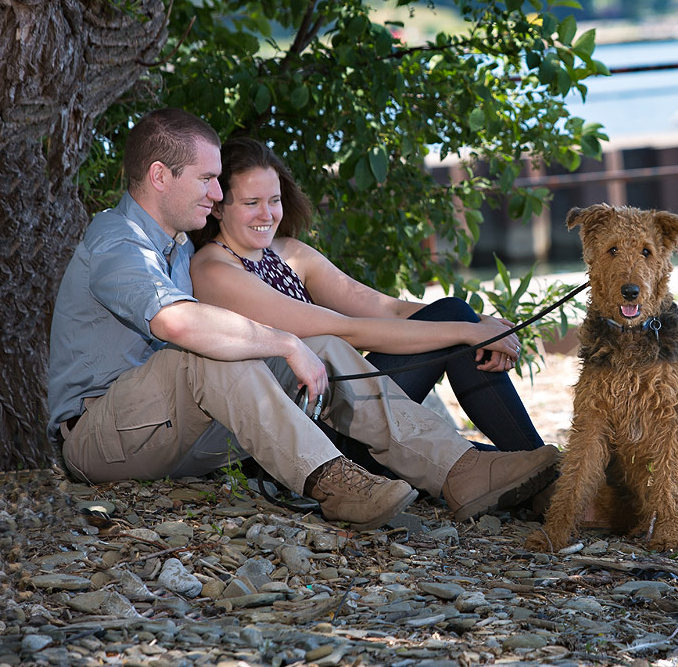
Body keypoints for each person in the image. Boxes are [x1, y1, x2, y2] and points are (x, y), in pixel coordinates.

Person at [47, 108, 558, 530]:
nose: (217, 193)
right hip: (104, 437)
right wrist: (284, 342)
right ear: (160, 176)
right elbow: (177, 323)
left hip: (183, 432)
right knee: (212, 349)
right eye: (206, 179)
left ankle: (461, 469)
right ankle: (335, 481)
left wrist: (295, 344)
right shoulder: (118, 245)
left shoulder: (179, 244)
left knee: (325, 345)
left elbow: (363, 315)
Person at [187, 137, 545, 453]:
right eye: (251, 203)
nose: (267, 214)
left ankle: (543, 469)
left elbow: (385, 308)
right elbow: (347, 331)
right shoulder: (215, 270)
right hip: (309, 431)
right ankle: (545, 472)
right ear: (218, 205)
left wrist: (477, 324)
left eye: (275, 200)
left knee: (453, 314)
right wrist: (467, 333)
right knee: (488, 452)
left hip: (347, 405)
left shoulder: (288, 252)